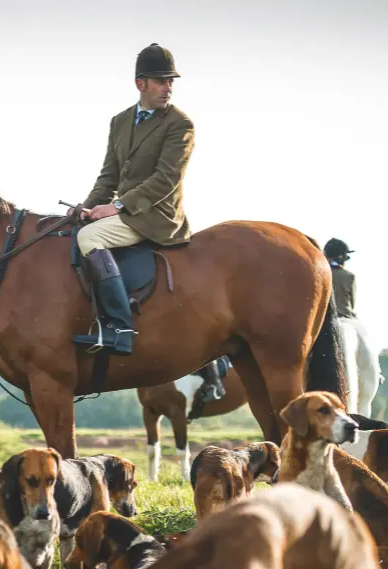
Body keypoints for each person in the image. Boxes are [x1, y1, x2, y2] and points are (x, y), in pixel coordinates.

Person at [70, 42, 227, 402]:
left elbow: (165, 179)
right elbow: (108, 176)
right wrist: (87, 205)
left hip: (156, 216)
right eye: (161, 81)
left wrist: (118, 207)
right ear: (141, 83)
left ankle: (119, 328)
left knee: (89, 239)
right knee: (75, 231)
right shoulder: (120, 121)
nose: (168, 87)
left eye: (171, 81)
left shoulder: (180, 124)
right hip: (124, 210)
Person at [324, 238, 381, 416]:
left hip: (326, 320)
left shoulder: (321, 274)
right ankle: (377, 373)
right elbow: (352, 304)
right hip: (347, 317)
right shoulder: (349, 276)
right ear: (342, 257)